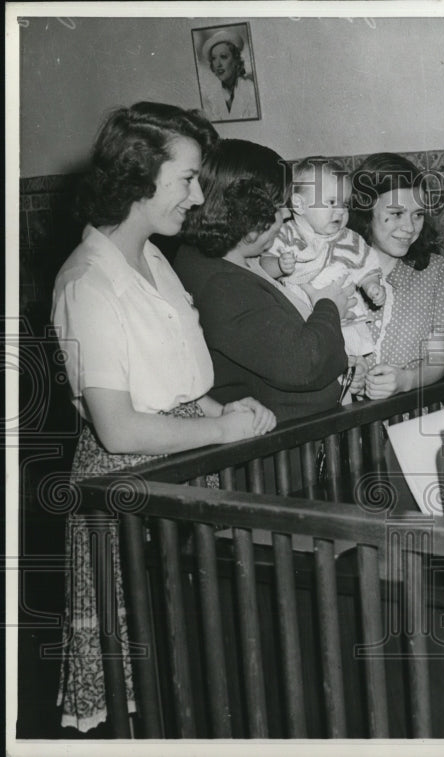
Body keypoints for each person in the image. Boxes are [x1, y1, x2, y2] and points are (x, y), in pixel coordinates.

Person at [50, 102, 277, 732]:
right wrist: (219, 429)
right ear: (137, 177)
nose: (198, 195)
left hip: (183, 464)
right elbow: (119, 427)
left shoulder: (153, 259)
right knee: (150, 681)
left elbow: (177, 382)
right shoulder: (87, 283)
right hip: (129, 487)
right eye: (186, 179)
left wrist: (220, 409)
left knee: (199, 661)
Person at [174, 139, 355, 422]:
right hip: (283, 451)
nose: (285, 214)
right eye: (276, 206)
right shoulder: (221, 285)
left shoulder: (234, 261)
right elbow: (304, 364)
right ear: (245, 213)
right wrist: (328, 308)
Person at [347, 152, 444, 399]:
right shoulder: (338, 266)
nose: (410, 228)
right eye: (397, 213)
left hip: (407, 415)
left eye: (418, 214)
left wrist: (406, 381)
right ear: (366, 210)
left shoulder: (437, 273)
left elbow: (438, 358)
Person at [260, 157, 385, 376]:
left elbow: (366, 266)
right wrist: (279, 265)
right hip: (302, 324)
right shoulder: (286, 234)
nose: (340, 212)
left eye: (344, 205)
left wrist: (371, 285)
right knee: (319, 371)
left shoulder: (349, 239)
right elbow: (263, 267)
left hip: (346, 322)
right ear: (299, 204)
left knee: (350, 371)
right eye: (331, 203)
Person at [200, 28, 259, 121]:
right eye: (214, 58)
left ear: (236, 60)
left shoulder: (252, 90)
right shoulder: (207, 97)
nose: (218, 64)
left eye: (223, 57)